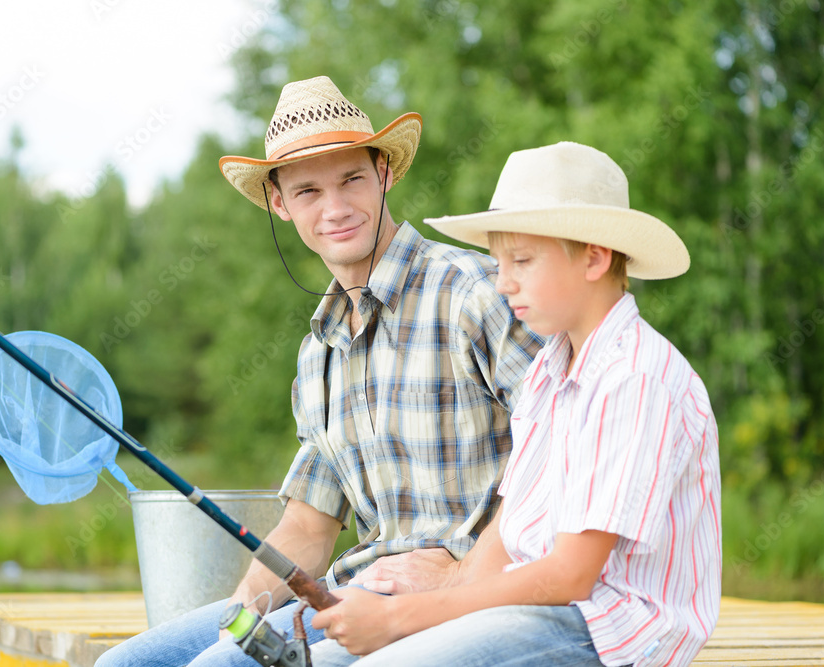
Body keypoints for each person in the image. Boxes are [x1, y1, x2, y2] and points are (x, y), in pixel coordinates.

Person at [96, 77, 543, 667]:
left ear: (383, 172)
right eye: (307, 191)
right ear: (280, 203)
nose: (335, 209)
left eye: (351, 179)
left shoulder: (473, 291)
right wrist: (238, 621)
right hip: (351, 595)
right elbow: (308, 528)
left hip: (467, 607)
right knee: (127, 665)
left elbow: (563, 453)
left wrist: (461, 578)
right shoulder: (319, 352)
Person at [309, 142, 722, 666]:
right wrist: (417, 612)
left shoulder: (633, 377)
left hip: (607, 629)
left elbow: (571, 575)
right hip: (534, 607)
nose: (502, 282)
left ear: (595, 256)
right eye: (500, 262)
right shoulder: (552, 370)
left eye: (522, 261)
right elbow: (509, 533)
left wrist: (397, 621)